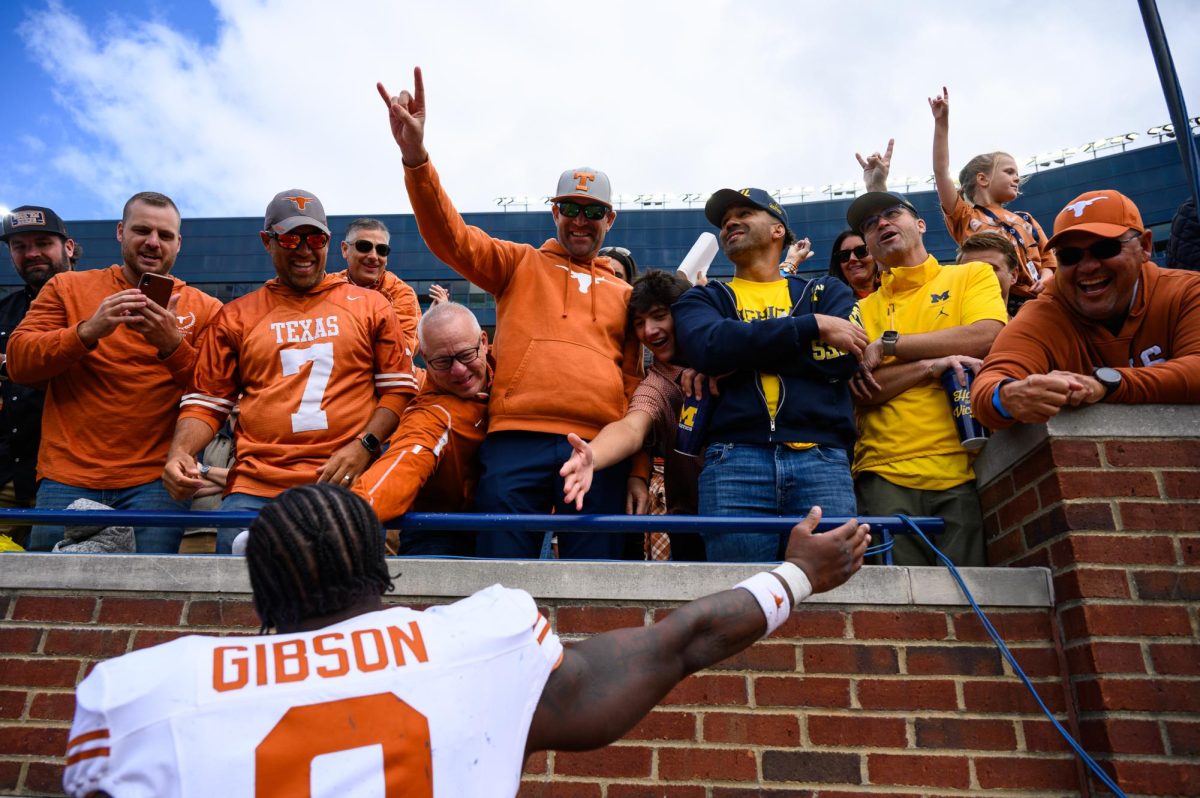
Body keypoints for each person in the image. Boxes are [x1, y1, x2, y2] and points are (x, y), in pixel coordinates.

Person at [63, 482, 869, 797]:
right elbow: (675, 645)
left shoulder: (137, 691)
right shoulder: (480, 638)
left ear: (259, 592)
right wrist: (796, 575)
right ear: (385, 571)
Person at [378, 68, 643, 560]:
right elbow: (450, 236)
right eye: (570, 208)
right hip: (514, 439)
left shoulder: (627, 296)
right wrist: (415, 158)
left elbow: (636, 386)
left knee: (602, 578)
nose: (579, 220)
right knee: (498, 572)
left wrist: (639, 470)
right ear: (554, 213)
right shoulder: (519, 263)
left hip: (598, 445)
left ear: (610, 218)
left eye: (592, 211)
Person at [164, 189, 417, 553]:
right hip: (255, 487)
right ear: (267, 241)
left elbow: (398, 389)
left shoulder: (371, 305)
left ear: (329, 243)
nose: (303, 249)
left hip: (343, 480)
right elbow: (206, 401)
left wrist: (365, 445)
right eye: (289, 237)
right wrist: (181, 452)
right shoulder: (236, 316)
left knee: (348, 597)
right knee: (237, 600)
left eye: (314, 238)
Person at [8, 192, 222, 553]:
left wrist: (171, 345)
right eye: (142, 230)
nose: (153, 242)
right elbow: (19, 364)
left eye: (165, 235)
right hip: (67, 475)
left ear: (179, 243)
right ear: (120, 232)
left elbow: (215, 394)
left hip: (156, 482)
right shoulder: (67, 287)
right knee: (50, 594)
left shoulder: (207, 308)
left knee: (146, 596)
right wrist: (88, 331)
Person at [672, 187, 866, 562]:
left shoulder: (825, 290)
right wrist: (809, 328)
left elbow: (843, 360)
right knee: (740, 598)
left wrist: (740, 353)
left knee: (831, 596)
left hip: (821, 458)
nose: (730, 222)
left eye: (745, 213)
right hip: (734, 461)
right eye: (725, 219)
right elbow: (707, 348)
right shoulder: (704, 298)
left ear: (778, 230)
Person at [846, 191, 1007, 567]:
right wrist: (931, 365)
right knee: (901, 614)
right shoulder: (859, 310)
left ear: (920, 224)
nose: (881, 224)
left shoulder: (972, 274)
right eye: (870, 224)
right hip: (883, 472)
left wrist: (890, 345)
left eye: (891, 214)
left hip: (965, 466)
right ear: (868, 245)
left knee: (970, 602)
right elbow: (864, 390)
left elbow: (987, 336)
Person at [972, 189, 1200, 426]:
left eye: (1105, 249)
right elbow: (987, 389)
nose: (1088, 266)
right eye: (1070, 256)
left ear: (1144, 246)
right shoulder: (1046, 312)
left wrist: (1107, 384)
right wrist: (1008, 395)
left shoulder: (1186, 291)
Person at [559, 270, 706, 560]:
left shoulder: (728, 353)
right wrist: (593, 455)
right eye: (639, 323)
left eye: (659, 316)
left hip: (745, 507)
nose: (649, 331)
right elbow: (631, 427)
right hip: (689, 520)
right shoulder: (657, 383)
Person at [353, 302, 490, 556]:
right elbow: (402, 465)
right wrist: (343, 515)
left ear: (484, 341)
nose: (458, 370)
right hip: (440, 530)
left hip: (516, 520)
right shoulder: (432, 414)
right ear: (425, 359)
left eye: (466, 354)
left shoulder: (515, 373)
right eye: (443, 361)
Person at [930, 87, 1056, 315]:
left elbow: (1049, 259)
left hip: (1041, 298)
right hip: (997, 301)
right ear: (983, 179)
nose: (1016, 177)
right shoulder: (965, 216)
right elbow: (941, 171)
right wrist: (942, 123)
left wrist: (1046, 279)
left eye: (1016, 173)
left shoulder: (1025, 219)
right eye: (1009, 171)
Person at [0, 206, 75, 549]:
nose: (31, 253)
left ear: (68, 248)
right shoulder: (4, 312)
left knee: (61, 588)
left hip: (74, 477)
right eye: (19, 246)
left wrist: (12, 365)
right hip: (8, 474)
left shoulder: (99, 301)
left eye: (43, 242)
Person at [336, 218, 422, 357]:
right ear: (345, 249)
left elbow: (401, 352)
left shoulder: (401, 293)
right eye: (364, 247)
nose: (373, 256)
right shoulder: (328, 285)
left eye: (382, 250)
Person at [958, 232, 1022, 310]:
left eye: (991, 268)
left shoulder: (1035, 321)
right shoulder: (941, 321)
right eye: (970, 269)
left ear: (1013, 275)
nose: (980, 276)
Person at [827, 230, 879, 298]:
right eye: (844, 255)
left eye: (861, 251)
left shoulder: (894, 286)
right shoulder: (833, 302)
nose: (852, 258)